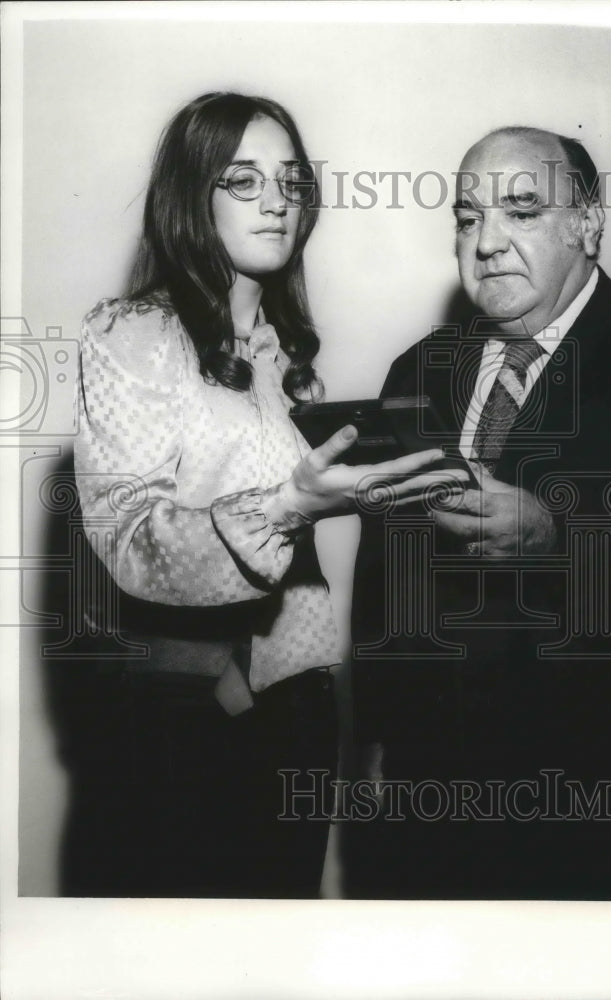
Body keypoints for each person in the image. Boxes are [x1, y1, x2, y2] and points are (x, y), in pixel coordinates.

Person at [348, 127, 611, 900]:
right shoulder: (417, 369)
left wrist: (554, 532)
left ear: (588, 223)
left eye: (521, 211)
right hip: (445, 818)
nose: (487, 242)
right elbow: (386, 570)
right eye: (468, 217)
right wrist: (376, 738)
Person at [68, 92, 460, 898]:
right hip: (186, 724)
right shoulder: (131, 335)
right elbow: (132, 544)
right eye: (243, 179)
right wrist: (290, 505)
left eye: (290, 179)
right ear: (191, 196)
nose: (277, 199)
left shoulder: (290, 359)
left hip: (300, 712)